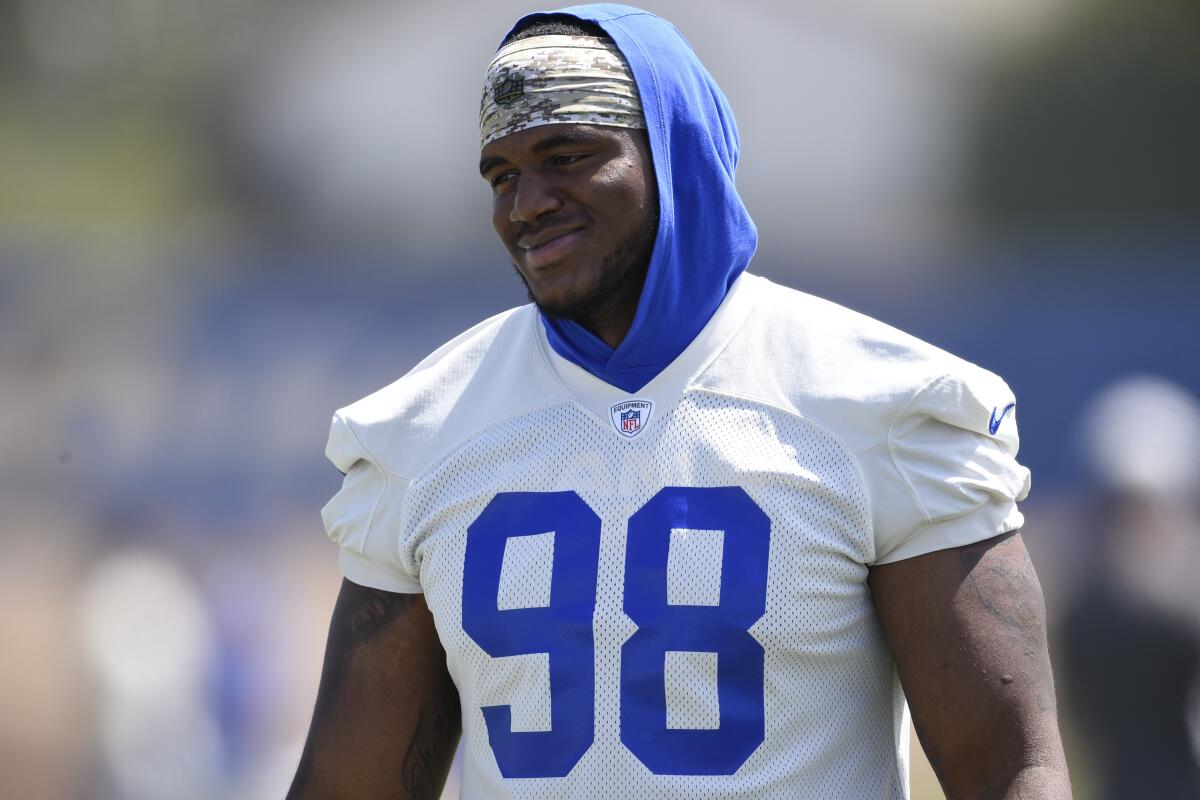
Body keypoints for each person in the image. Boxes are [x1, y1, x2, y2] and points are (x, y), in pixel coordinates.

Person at [288, 5, 1071, 798]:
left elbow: (1009, 772)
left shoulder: (879, 406)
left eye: (566, 156)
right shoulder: (422, 432)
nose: (526, 204)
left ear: (674, 151)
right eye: (502, 174)